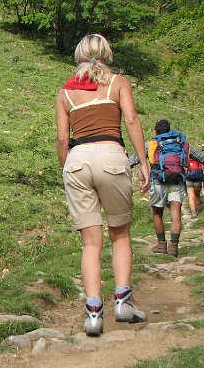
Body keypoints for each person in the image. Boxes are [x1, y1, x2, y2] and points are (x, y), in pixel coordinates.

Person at [56, 33, 150, 336]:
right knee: (120, 234)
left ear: (79, 56)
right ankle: (123, 302)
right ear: (107, 54)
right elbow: (132, 122)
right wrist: (144, 162)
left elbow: (61, 139)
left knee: (90, 242)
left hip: (78, 159)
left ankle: (94, 315)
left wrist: (67, 169)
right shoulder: (118, 83)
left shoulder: (66, 92)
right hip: (111, 155)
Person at [147, 121, 204, 257]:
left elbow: (135, 158)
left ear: (155, 131)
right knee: (175, 214)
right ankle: (173, 247)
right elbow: (200, 156)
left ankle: (161, 244)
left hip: (158, 182)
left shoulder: (153, 143)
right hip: (177, 181)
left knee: (157, 213)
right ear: (170, 129)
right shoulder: (180, 142)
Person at [184, 145, 204, 217]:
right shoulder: (198, 159)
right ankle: (197, 208)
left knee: (191, 196)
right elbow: (202, 169)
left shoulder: (185, 158)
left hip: (188, 178)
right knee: (197, 195)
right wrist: (203, 181)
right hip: (198, 178)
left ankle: (193, 212)